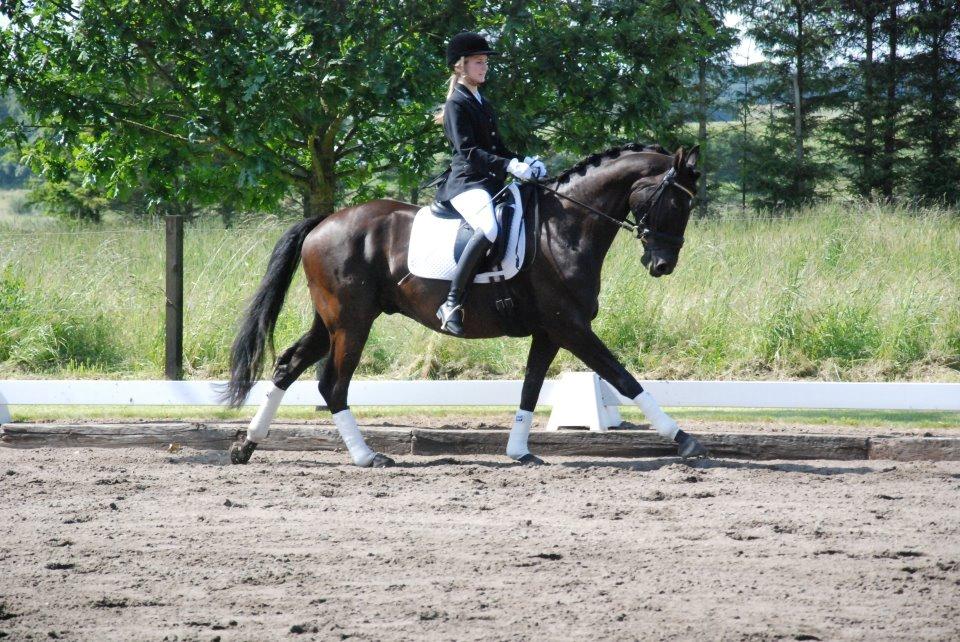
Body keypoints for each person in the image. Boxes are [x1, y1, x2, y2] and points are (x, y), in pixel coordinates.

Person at [433, 31, 547, 336]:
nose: (485, 68)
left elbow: (496, 150)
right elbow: (469, 152)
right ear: (460, 66)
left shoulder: (481, 101)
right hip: (467, 183)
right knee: (489, 228)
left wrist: (524, 160)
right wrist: (509, 166)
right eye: (478, 62)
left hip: (489, 181)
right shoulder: (458, 103)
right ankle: (451, 303)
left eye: (485, 62)